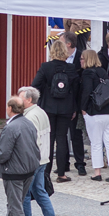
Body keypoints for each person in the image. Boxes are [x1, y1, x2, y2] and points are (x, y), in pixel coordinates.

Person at [31, 41, 84, 182]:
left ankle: (45, 173)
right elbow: (76, 91)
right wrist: (74, 108)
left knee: (48, 139)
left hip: (48, 107)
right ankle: (61, 174)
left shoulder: (45, 67)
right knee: (62, 139)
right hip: (66, 108)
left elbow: (35, 86)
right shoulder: (71, 68)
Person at [0, 95, 38, 216]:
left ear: (10, 108)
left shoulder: (11, 127)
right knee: (15, 203)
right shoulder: (28, 123)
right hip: (29, 170)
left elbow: (3, 155)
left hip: (14, 172)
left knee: (16, 205)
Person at [17, 86, 59, 216]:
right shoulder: (41, 112)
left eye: (20, 97)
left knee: (26, 194)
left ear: (28, 100)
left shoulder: (30, 117)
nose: (17, 100)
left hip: (33, 160)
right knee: (40, 191)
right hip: (43, 159)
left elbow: (31, 141)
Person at [79, 50, 109, 182]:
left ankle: (97, 172)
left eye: (82, 58)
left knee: (96, 142)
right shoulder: (102, 71)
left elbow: (86, 92)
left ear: (87, 59)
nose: (80, 61)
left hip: (95, 111)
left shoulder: (87, 73)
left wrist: (83, 108)